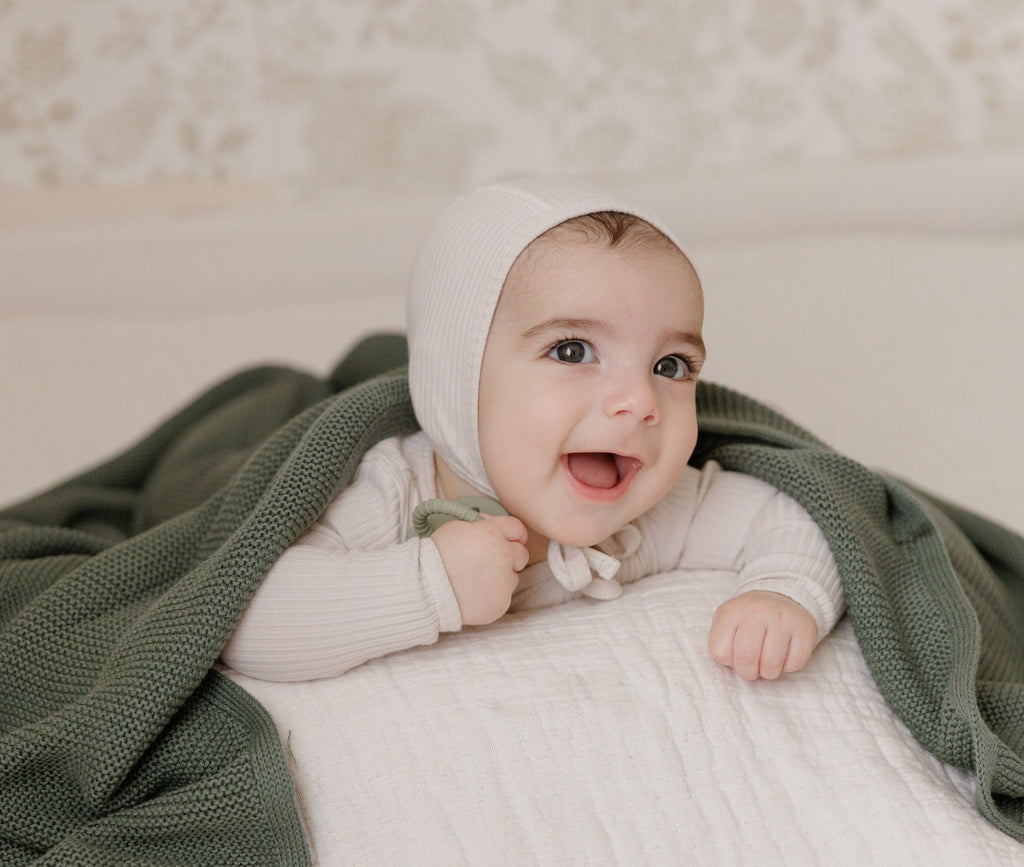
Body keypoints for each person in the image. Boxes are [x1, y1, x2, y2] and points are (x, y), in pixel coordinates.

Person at [221, 178, 844, 683]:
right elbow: (245, 623)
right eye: (573, 351)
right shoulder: (395, 493)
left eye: (669, 366)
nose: (639, 400)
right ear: (456, 375)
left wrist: (784, 594)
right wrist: (428, 584)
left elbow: (800, 516)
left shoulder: (648, 515)